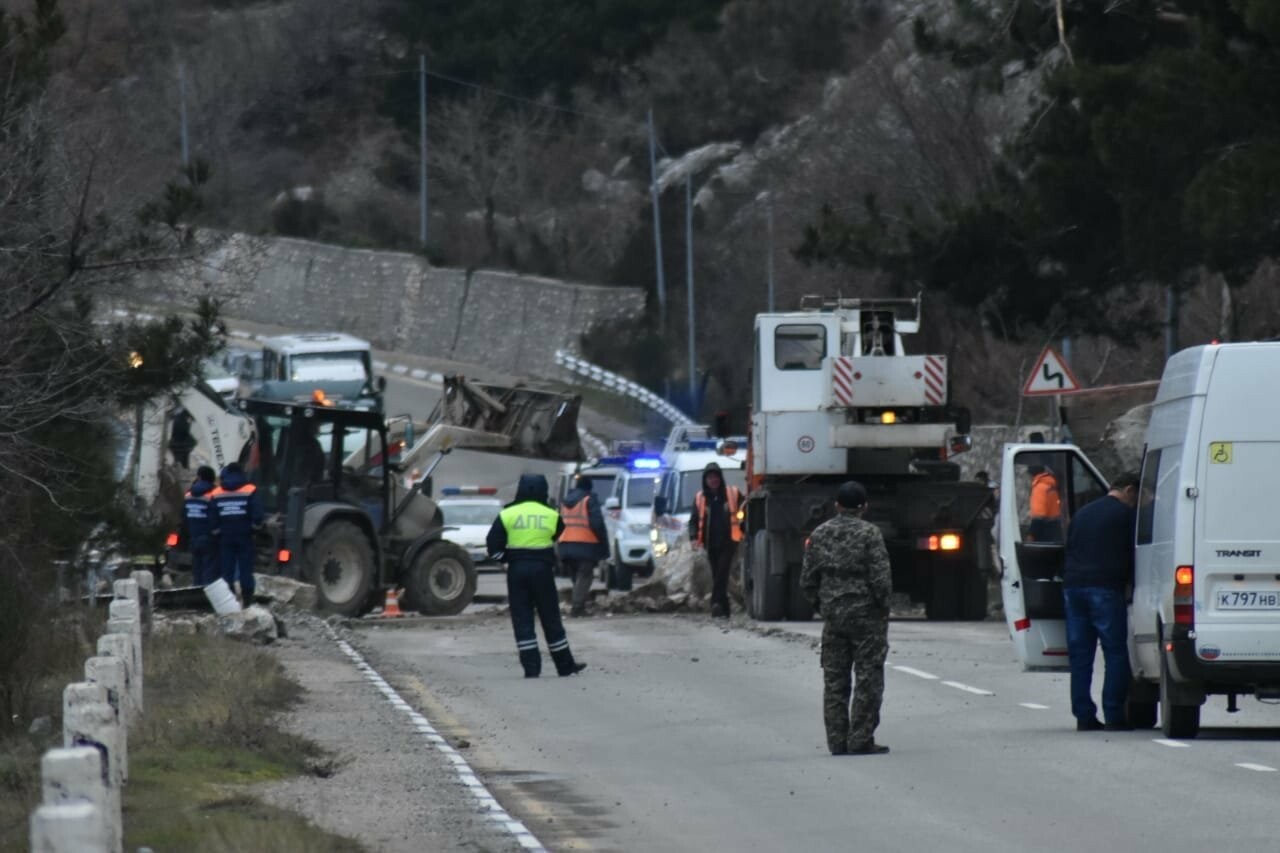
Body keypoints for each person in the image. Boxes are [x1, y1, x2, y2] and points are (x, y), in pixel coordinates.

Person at [800, 481, 892, 756]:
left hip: (833, 617)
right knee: (868, 678)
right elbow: (880, 577)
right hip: (866, 617)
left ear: (837, 505)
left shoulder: (819, 534)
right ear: (864, 506)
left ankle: (837, 741)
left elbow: (807, 580)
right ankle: (861, 738)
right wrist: (883, 607)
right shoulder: (870, 534)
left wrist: (823, 605)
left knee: (835, 681)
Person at [487, 474, 586, 678]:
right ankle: (565, 666)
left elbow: (493, 546)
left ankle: (532, 669)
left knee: (522, 618)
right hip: (542, 570)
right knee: (550, 617)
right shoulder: (551, 514)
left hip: (517, 570)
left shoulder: (508, 514)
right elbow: (557, 533)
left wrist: (508, 558)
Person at [1063, 471, 1140, 732]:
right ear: (1129, 490)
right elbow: (1134, 553)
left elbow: (1069, 547)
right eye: (1137, 497)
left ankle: (1084, 716)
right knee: (1115, 652)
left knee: (1081, 656)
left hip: (1073, 589)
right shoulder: (1126, 516)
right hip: (1105, 589)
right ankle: (1114, 714)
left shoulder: (1083, 513)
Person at [689, 462, 744, 618]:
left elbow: (744, 511)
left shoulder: (732, 494)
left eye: (716, 477)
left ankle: (715, 604)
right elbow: (693, 520)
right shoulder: (701, 498)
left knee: (722, 572)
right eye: (710, 478)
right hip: (710, 543)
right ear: (705, 480)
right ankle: (724, 608)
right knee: (717, 574)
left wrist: (744, 530)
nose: (713, 480)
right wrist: (693, 538)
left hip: (729, 541)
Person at [212, 462, 265, 605]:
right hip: (244, 536)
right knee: (245, 569)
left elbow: (212, 517)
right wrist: (255, 528)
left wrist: (217, 533)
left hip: (225, 537)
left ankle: (229, 601)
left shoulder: (217, 493)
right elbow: (257, 514)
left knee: (226, 570)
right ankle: (247, 600)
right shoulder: (250, 489)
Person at [558, 475, 609, 617]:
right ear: (589, 487)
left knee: (576, 575)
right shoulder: (589, 500)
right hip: (585, 544)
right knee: (585, 575)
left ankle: (578, 602)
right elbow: (597, 524)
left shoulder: (564, 502)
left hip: (565, 544)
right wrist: (603, 545)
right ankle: (577, 607)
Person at [183, 466, 219, 586]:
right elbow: (214, 517)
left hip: (193, 537)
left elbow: (183, 516)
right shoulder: (212, 495)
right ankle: (206, 598)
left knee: (197, 570)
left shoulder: (188, 495)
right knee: (209, 571)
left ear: (199, 477)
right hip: (208, 538)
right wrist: (217, 532)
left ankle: (196, 595)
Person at [1028, 464, 1063, 542]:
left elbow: (1038, 516)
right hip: (1055, 530)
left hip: (1044, 533)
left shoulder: (1039, 488)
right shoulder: (1050, 484)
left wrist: (1031, 535)